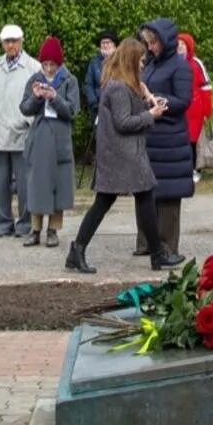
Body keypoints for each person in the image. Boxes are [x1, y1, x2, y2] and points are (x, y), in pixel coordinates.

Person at [64, 38, 184, 273]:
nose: (142, 66)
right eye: (140, 61)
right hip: (122, 156)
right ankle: (78, 251)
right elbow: (124, 122)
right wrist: (151, 114)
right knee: (109, 202)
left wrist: (147, 95)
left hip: (123, 155)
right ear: (130, 61)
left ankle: (155, 254)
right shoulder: (117, 87)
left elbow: (131, 107)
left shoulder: (122, 84)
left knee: (140, 198)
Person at [134, 19, 194, 255]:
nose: (150, 48)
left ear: (165, 41)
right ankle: (146, 242)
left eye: (154, 43)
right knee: (145, 190)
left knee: (168, 196)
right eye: (148, 43)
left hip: (170, 139)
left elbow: (183, 100)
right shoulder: (150, 65)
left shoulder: (179, 66)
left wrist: (157, 100)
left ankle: (167, 245)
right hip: (149, 137)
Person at [0, 24, 41, 237]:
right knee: (0, 183)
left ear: (21, 41)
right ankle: (4, 224)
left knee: (24, 183)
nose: (10, 45)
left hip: (22, 133)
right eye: (7, 41)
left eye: (14, 40)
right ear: (2, 43)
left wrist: (29, 121)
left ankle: (24, 224)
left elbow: (38, 98)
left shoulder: (33, 66)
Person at [19, 36, 79, 247]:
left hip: (60, 135)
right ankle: (35, 230)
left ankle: (53, 229)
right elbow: (24, 108)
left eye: (53, 64)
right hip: (40, 135)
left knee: (59, 184)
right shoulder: (35, 78)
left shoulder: (69, 80)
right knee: (37, 183)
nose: (49, 69)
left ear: (59, 63)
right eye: (45, 64)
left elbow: (72, 111)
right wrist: (36, 97)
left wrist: (55, 97)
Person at [176, 32, 213, 179]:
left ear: (189, 47)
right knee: (181, 140)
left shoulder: (196, 64)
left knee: (193, 141)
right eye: (177, 44)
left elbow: (206, 88)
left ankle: (195, 169)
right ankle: (182, 168)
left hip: (195, 110)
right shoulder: (172, 62)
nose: (179, 47)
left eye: (182, 45)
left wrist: (207, 111)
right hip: (179, 109)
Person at [82, 29, 117, 118]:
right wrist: (93, 103)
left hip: (117, 106)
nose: (105, 45)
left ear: (114, 44)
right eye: (102, 43)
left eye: (108, 42)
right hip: (98, 106)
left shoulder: (120, 61)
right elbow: (88, 84)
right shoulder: (94, 62)